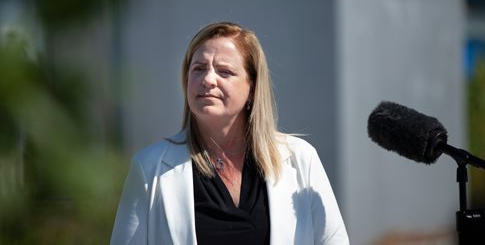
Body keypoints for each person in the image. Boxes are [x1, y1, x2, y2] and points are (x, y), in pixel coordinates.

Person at [110, 22, 349, 245]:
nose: (208, 79)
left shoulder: (301, 159)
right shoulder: (149, 167)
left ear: (252, 88)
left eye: (224, 71)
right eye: (199, 68)